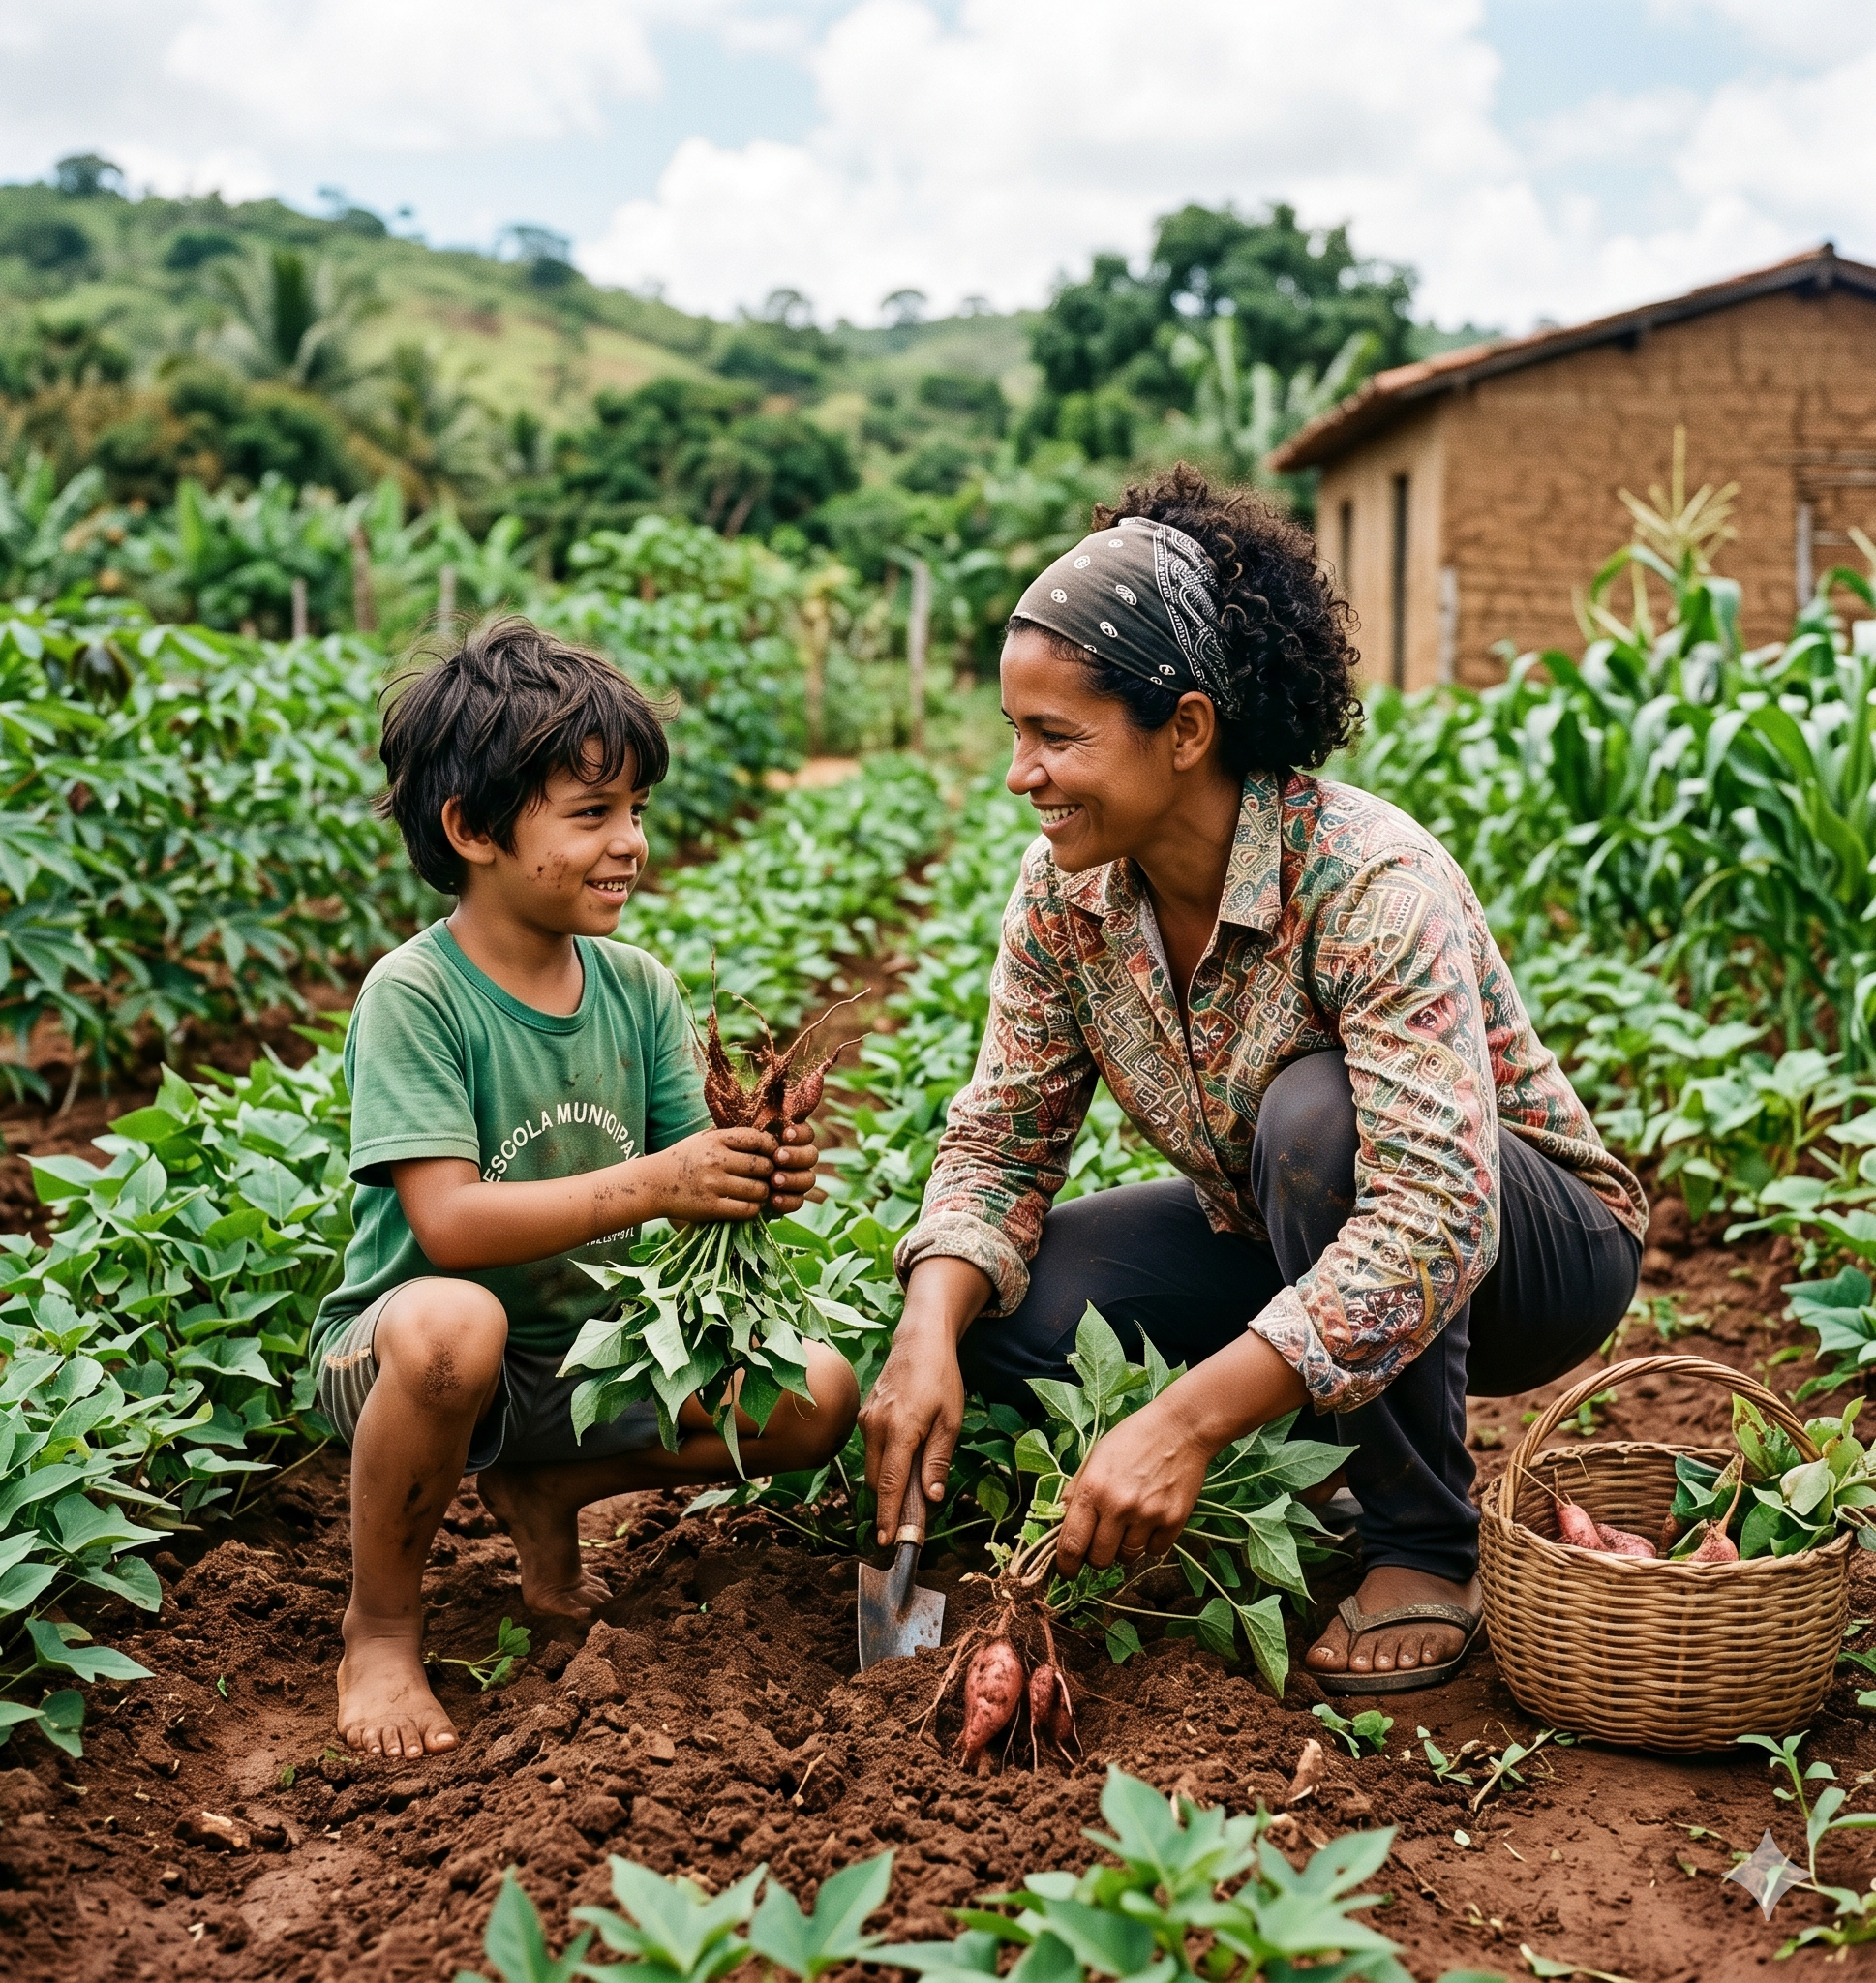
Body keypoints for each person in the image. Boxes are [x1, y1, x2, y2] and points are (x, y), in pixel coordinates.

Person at [859, 465, 1646, 1695]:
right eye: (1016, 732)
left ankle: (1421, 1541)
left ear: (1184, 728)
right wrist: (924, 1326)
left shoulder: (1366, 881)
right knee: (1007, 1312)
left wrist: (1182, 1420)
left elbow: (1433, 1213)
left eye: (1055, 735)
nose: (1021, 772)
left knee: (1313, 1122)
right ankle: (1316, 1450)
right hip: (1283, 1230)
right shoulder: (1063, 895)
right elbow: (1000, 1139)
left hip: (1526, 1255)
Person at [313, 620, 858, 1761]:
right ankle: (381, 1624)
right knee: (458, 1322)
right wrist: (661, 1179)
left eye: (638, 813)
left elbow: (686, 1176)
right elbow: (448, 1224)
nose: (630, 845)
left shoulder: (636, 987)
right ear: (472, 829)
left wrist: (755, 1173)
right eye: (592, 813)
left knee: (815, 1392)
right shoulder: (415, 995)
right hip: (406, 1362)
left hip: (581, 1360)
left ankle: (545, 1483)